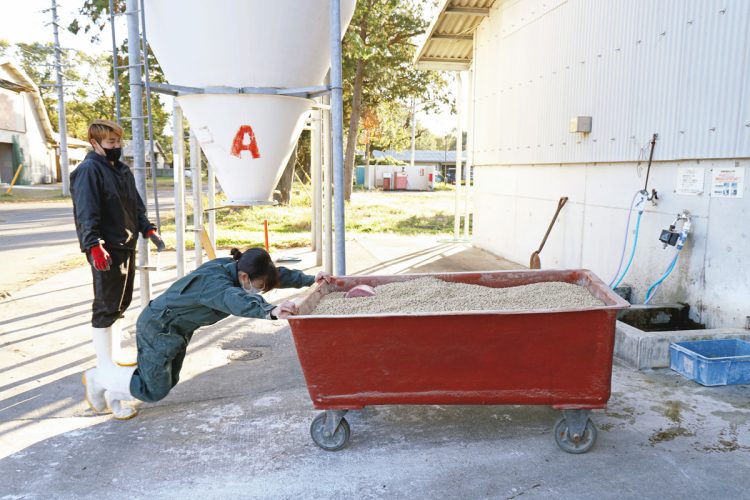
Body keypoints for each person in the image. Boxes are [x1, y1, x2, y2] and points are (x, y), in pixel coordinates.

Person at [82, 247, 331, 419]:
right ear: (244, 276)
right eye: (260, 287)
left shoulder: (238, 268)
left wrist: (310, 279)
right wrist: (270, 310)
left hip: (176, 329)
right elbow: (233, 300)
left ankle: (114, 388)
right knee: (154, 390)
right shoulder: (215, 284)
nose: (262, 290)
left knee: (166, 381)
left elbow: (278, 275)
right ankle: (99, 379)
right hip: (159, 328)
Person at [71, 119, 165, 415]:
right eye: (110, 144)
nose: (116, 148)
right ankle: (103, 366)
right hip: (105, 248)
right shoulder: (88, 172)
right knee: (106, 303)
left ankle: (113, 354)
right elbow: (86, 211)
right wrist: (92, 244)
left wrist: (147, 228)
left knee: (121, 301)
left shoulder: (121, 170)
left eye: (118, 142)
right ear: (94, 143)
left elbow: (134, 204)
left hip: (125, 243)